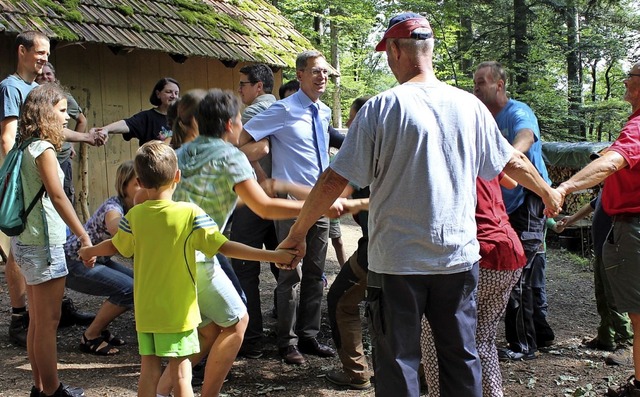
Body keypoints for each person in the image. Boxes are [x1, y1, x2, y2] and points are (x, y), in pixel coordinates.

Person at [276, 12, 561, 397]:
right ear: (429, 50)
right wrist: (547, 192)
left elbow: (334, 178)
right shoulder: (469, 106)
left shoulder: (382, 108)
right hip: (457, 260)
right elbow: (513, 161)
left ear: (396, 49)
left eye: (388, 53)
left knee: (398, 363)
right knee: (461, 358)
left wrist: (296, 232)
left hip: (397, 264)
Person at [78, 141, 296, 397]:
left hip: (147, 310)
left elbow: (115, 246)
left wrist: (89, 251)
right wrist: (272, 255)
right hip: (179, 311)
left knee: (149, 371)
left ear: (140, 180)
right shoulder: (190, 214)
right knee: (181, 372)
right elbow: (224, 247)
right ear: (177, 177)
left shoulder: (135, 216)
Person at [172, 89, 344, 395]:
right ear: (229, 124)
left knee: (209, 327)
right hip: (197, 256)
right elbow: (263, 206)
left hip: (173, 252)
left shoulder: (183, 151)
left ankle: (167, 387)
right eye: (240, 119)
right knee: (237, 321)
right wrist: (316, 207)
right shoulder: (230, 155)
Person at [1, 30, 103, 348]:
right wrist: (11, 183)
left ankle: (45, 309)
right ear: (22, 51)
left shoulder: (39, 90)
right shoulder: (11, 87)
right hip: (31, 187)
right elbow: (8, 137)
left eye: (48, 53)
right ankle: (20, 315)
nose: (45, 57)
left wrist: (85, 137)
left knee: (30, 256)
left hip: (46, 179)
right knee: (20, 251)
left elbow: (52, 128)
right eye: (40, 51)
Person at [239, 50, 337, 365]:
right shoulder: (282, 109)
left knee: (316, 273)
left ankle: (309, 337)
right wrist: (264, 171)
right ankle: (287, 342)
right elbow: (243, 140)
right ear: (300, 74)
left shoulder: (323, 112)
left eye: (325, 72)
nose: (322, 77)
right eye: (316, 71)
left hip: (320, 200)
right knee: (288, 273)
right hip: (292, 205)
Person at [552, 62, 640, 397]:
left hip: (631, 228)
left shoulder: (637, 128)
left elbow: (612, 162)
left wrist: (564, 188)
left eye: (631, 76)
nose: (626, 81)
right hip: (622, 229)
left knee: (638, 315)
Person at [13, 83, 95, 397]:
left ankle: (40, 387)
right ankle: (52, 391)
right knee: (48, 323)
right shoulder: (44, 150)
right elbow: (59, 197)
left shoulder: (25, 146)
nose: (66, 117)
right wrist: (83, 234)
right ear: (46, 112)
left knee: (37, 322)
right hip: (43, 245)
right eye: (62, 111)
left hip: (25, 242)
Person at [474, 60, 553, 360]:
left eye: (482, 81)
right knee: (523, 271)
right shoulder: (484, 118)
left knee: (517, 272)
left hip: (530, 200)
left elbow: (525, 138)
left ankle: (523, 344)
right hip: (504, 207)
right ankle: (540, 334)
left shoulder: (518, 111)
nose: (476, 87)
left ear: (499, 85)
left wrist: (507, 158)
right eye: (476, 82)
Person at [420, 174, 527, 397]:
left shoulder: (452, 160)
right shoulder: (483, 153)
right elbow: (512, 182)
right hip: (510, 254)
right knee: (483, 340)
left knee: (434, 333)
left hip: (482, 253)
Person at [230, 64, 280, 359]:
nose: (240, 90)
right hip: (279, 197)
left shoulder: (250, 114)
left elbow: (237, 150)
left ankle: (251, 339)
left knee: (244, 266)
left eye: (243, 84)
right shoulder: (284, 109)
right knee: (283, 267)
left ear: (258, 87)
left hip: (253, 200)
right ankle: (290, 335)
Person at [63, 160, 138, 356]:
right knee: (129, 290)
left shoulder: (134, 207)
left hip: (97, 259)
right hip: (75, 262)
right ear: (124, 187)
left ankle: (102, 328)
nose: (144, 187)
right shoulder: (114, 207)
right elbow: (115, 227)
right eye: (137, 183)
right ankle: (90, 336)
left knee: (138, 285)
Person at [557, 192, 633, 352]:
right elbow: (592, 205)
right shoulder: (608, 187)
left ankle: (627, 343)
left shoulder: (624, 186)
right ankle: (606, 337)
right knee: (602, 295)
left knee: (614, 298)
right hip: (601, 250)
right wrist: (571, 219)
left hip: (616, 250)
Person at [36, 61, 87, 204]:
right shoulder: (32, 97)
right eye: (41, 75)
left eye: (48, 74)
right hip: (40, 156)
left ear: (54, 76)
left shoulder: (63, 97)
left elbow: (82, 121)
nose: (45, 77)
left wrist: (71, 145)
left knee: (64, 196)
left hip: (61, 157)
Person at [90, 77, 179, 145]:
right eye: (169, 92)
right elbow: (127, 124)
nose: (173, 96)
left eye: (176, 93)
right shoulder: (147, 117)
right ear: (158, 94)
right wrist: (106, 129)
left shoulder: (183, 118)